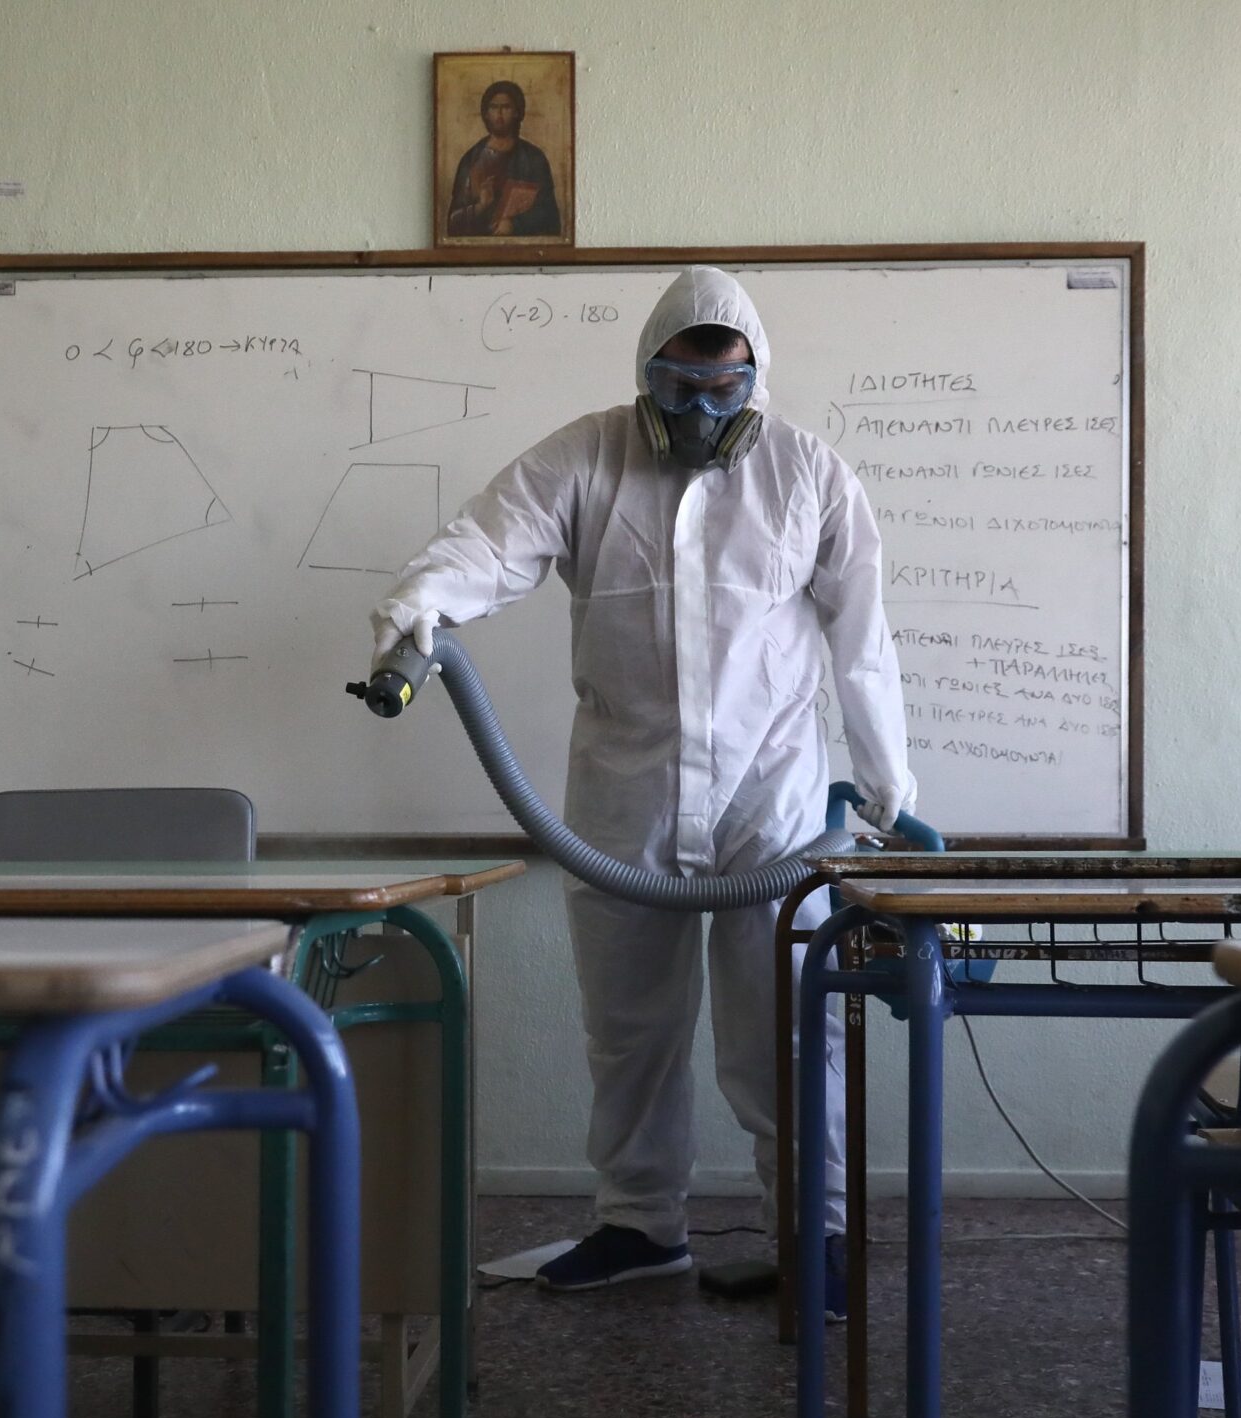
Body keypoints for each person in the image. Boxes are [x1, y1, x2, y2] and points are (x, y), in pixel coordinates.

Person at [371, 267, 914, 1317]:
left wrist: (887, 779)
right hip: (627, 800)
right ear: (646, 375)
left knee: (785, 1031)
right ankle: (639, 1226)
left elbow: (862, 637)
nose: (701, 415)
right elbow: (489, 541)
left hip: (773, 808)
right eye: (679, 390)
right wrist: (420, 604)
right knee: (629, 1032)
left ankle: (815, 1236)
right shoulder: (584, 459)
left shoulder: (808, 472)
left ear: (754, 379)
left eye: (722, 392)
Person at [445, 80, 559, 238]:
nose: (499, 114)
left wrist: (515, 225)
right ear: (486, 113)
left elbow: (549, 215)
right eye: (493, 107)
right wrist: (480, 207)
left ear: (517, 112)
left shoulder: (534, 159)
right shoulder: (471, 159)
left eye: (506, 107)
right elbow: (453, 223)